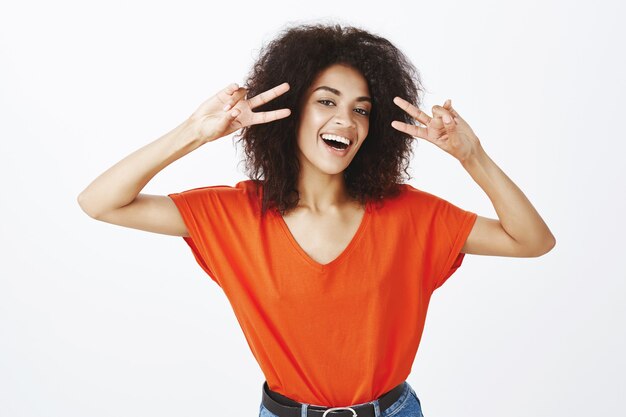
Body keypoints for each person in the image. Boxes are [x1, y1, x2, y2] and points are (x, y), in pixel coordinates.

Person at [77, 22, 556, 417]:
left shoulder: (411, 214)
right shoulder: (235, 214)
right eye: (327, 101)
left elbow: (533, 240)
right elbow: (100, 202)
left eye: (361, 110)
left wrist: (473, 158)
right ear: (291, 112)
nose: (345, 121)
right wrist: (193, 133)